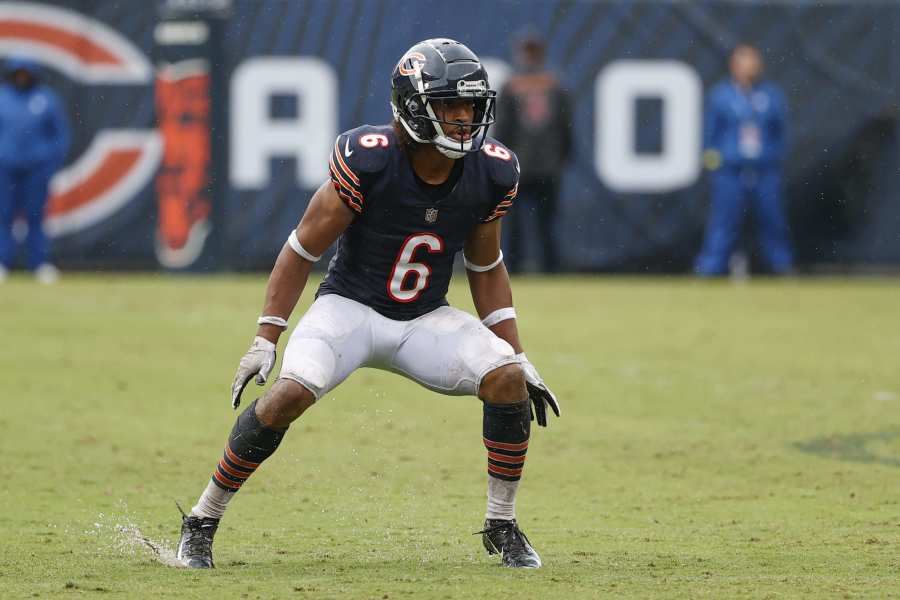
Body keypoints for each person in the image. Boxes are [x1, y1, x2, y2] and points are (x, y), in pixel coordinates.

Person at [176, 38, 560, 570]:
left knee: (506, 380)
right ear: (413, 105)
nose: (463, 118)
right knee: (288, 394)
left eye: (470, 106)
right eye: (450, 105)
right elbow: (300, 250)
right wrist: (266, 337)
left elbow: (486, 266)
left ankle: (502, 524)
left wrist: (516, 353)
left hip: (425, 316)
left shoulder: (491, 171)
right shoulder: (371, 158)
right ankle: (202, 519)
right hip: (349, 309)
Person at [695, 44, 794, 276]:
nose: (749, 67)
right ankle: (710, 268)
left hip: (764, 170)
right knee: (723, 222)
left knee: (772, 220)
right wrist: (716, 164)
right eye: (743, 61)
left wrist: (772, 157)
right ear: (734, 65)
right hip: (730, 171)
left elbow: (780, 132)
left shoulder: (770, 96)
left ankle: (782, 266)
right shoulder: (721, 96)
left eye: (752, 61)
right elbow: (710, 136)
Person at [493, 30, 572, 274]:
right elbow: (566, 126)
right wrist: (563, 156)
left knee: (524, 222)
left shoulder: (512, 85)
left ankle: (518, 267)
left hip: (522, 164)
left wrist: (501, 158)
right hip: (543, 164)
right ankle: (548, 266)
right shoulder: (554, 84)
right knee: (541, 221)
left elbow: (503, 128)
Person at [0, 54, 70, 283]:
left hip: (35, 171)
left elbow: (60, 136)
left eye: (26, 73)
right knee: (4, 216)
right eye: (18, 73)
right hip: (5, 169)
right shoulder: (2, 98)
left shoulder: (46, 99)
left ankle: (38, 264)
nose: (22, 77)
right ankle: (3, 263)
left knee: (36, 217)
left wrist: (48, 164)